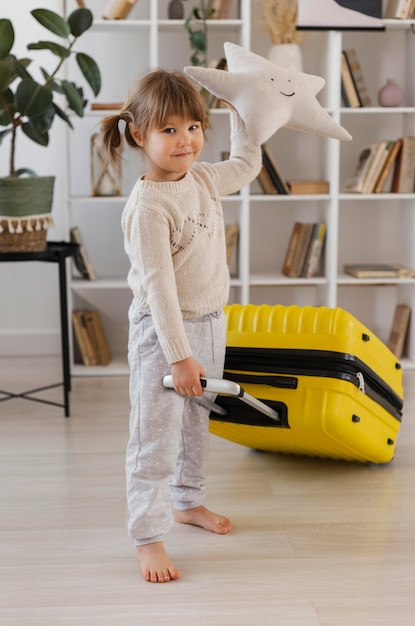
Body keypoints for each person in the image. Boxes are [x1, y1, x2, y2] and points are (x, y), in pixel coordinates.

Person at [100, 69, 262, 583]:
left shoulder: (206, 179)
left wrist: (243, 117)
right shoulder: (148, 209)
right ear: (139, 136)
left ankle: (187, 503)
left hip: (211, 324)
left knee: (196, 427)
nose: (185, 140)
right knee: (155, 439)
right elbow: (160, 291)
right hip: (164, 336)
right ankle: (147, 537)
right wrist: (178, 355)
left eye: (192, 126)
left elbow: (248, 164)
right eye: (169, 130)